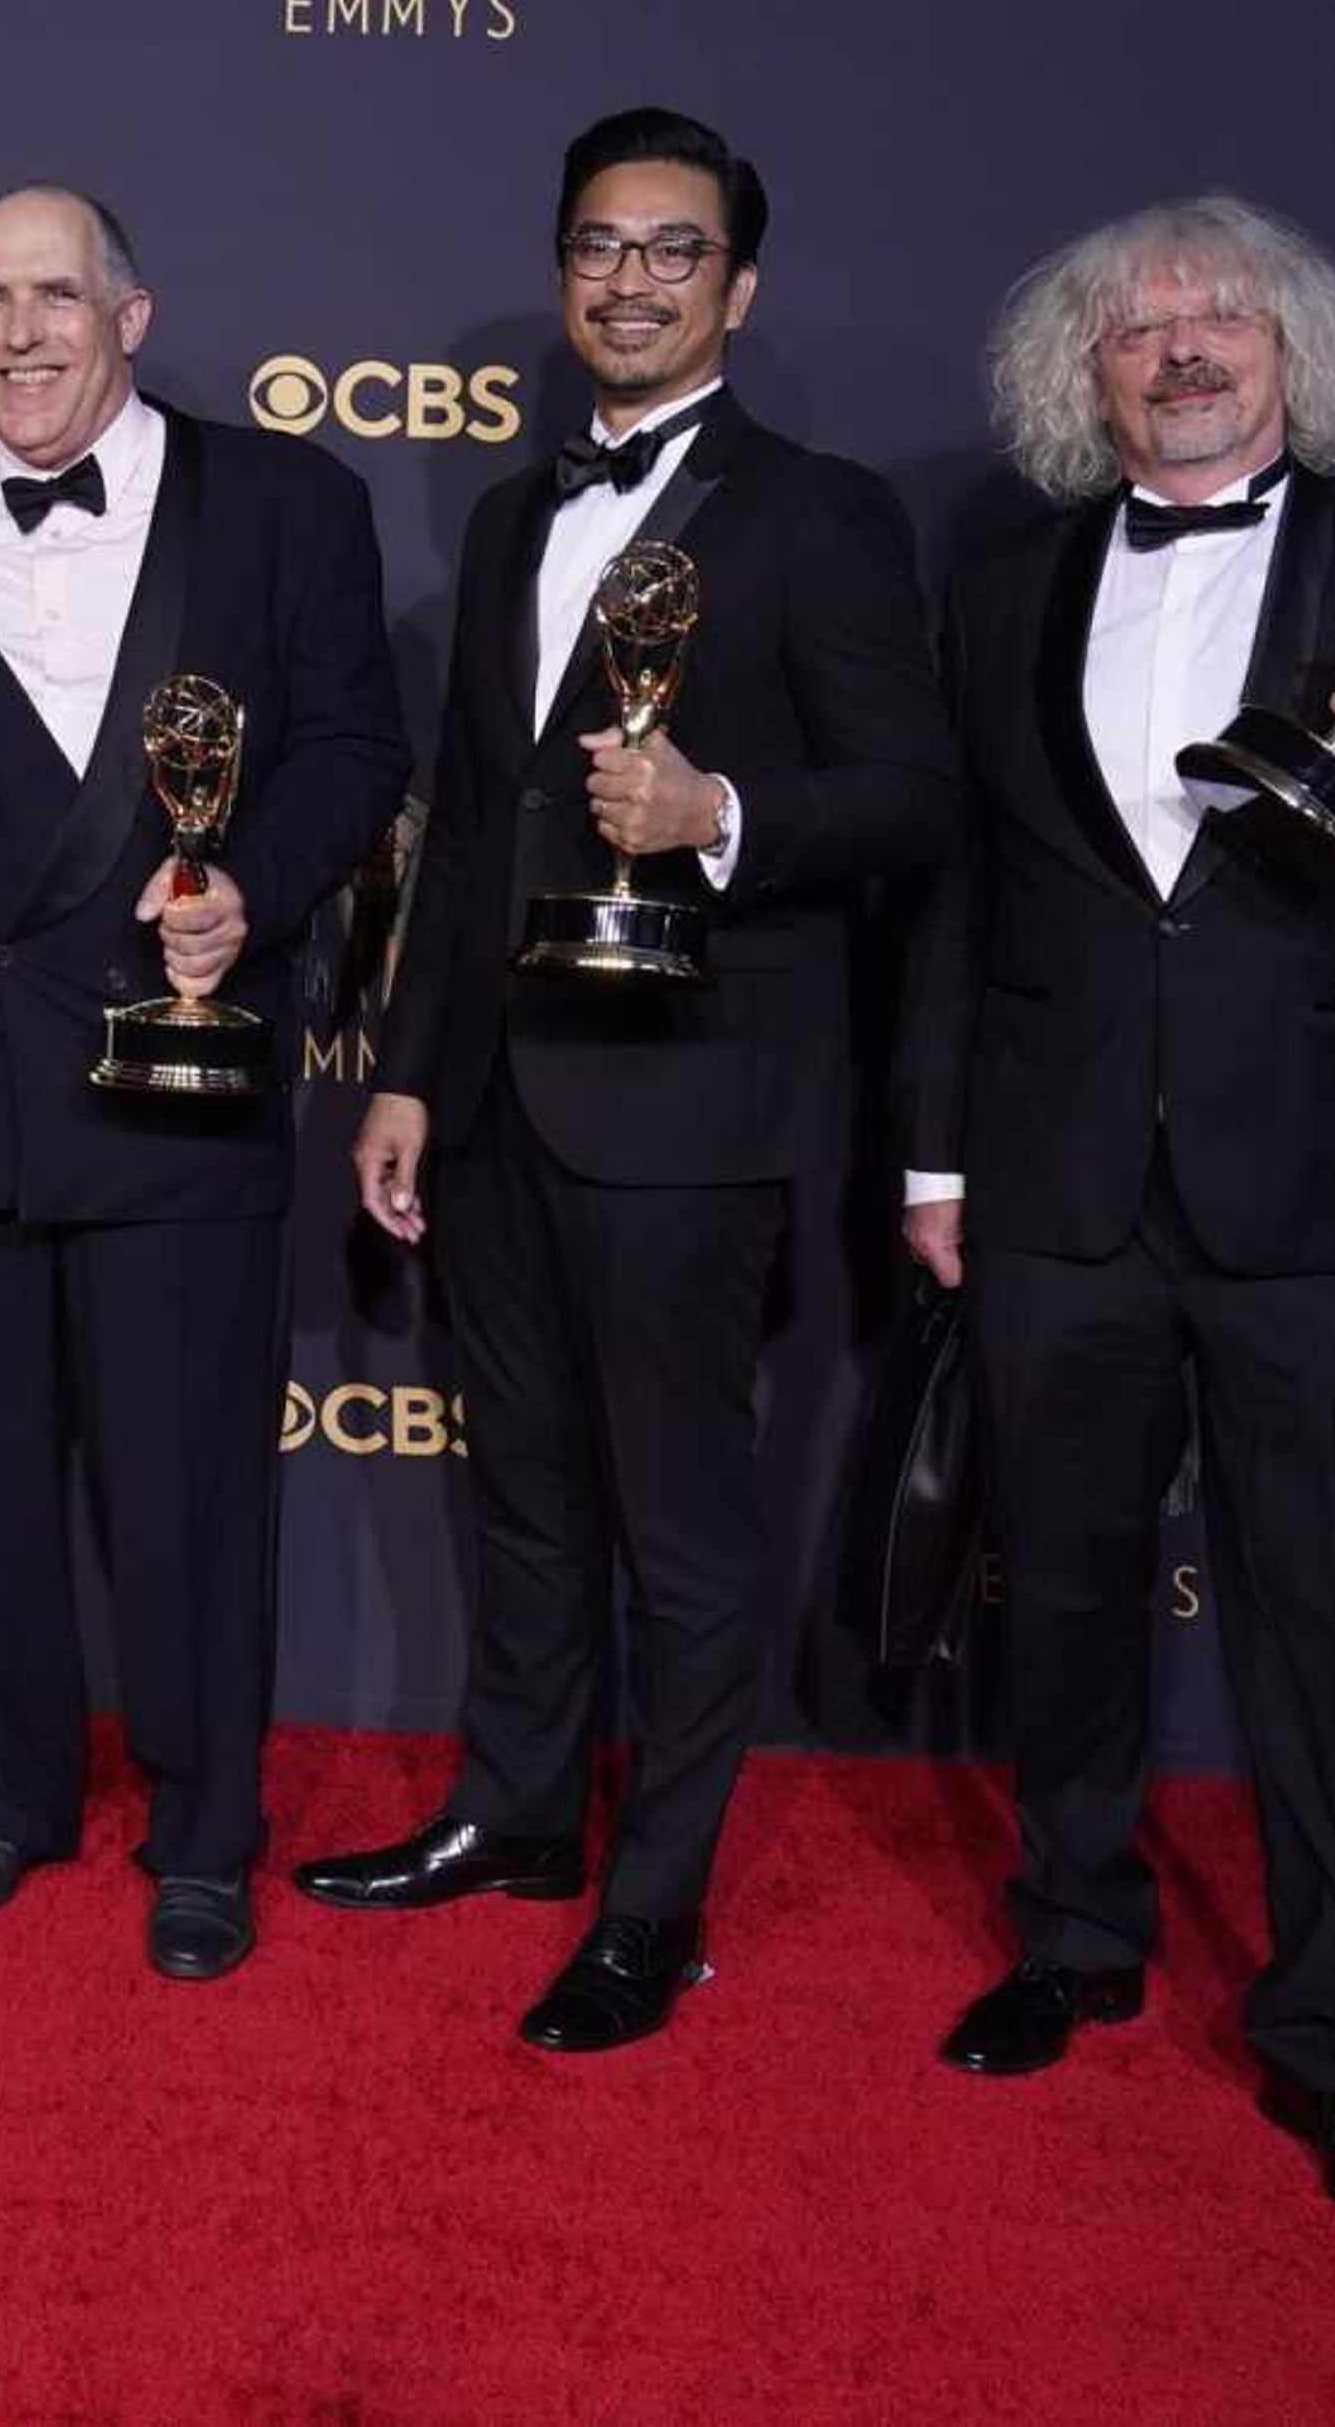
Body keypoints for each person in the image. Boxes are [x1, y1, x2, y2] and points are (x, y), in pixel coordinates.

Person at [896, 196, 1335, 2243]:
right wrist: (938, 1159)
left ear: (1297, 348)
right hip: (1057, 1189)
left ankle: (1328, 2038)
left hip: (1321, 1207)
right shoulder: (1005, 574)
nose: (1184, 346)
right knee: (1072, 1596)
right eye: (1140, 326)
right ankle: (1075, 1936)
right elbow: (965, 891)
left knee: (1328, 1631)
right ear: (1084, 373)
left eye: (1223, 315)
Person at [299, 109, 955, 2050]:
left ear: (738, 288)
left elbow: (915, 802)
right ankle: (513, 1814)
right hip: (500, 1093)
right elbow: (476, 824)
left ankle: (654, 1904)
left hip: (691, 1102)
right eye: (600, 243)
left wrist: (720, 810)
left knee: (679, 1521)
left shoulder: (821, 514)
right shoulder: (509, 518)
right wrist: (411, 1076)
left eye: (675, 250)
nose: (631, 278)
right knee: (522, 1494)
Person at [0, 185, 407, 1983]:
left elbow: (356, 748)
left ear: (135, 315)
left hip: (180, 1066)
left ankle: (204, 1830)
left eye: (57, 295)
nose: (20, 333)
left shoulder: (292, 503)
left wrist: (259, 888)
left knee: (187, 1486)